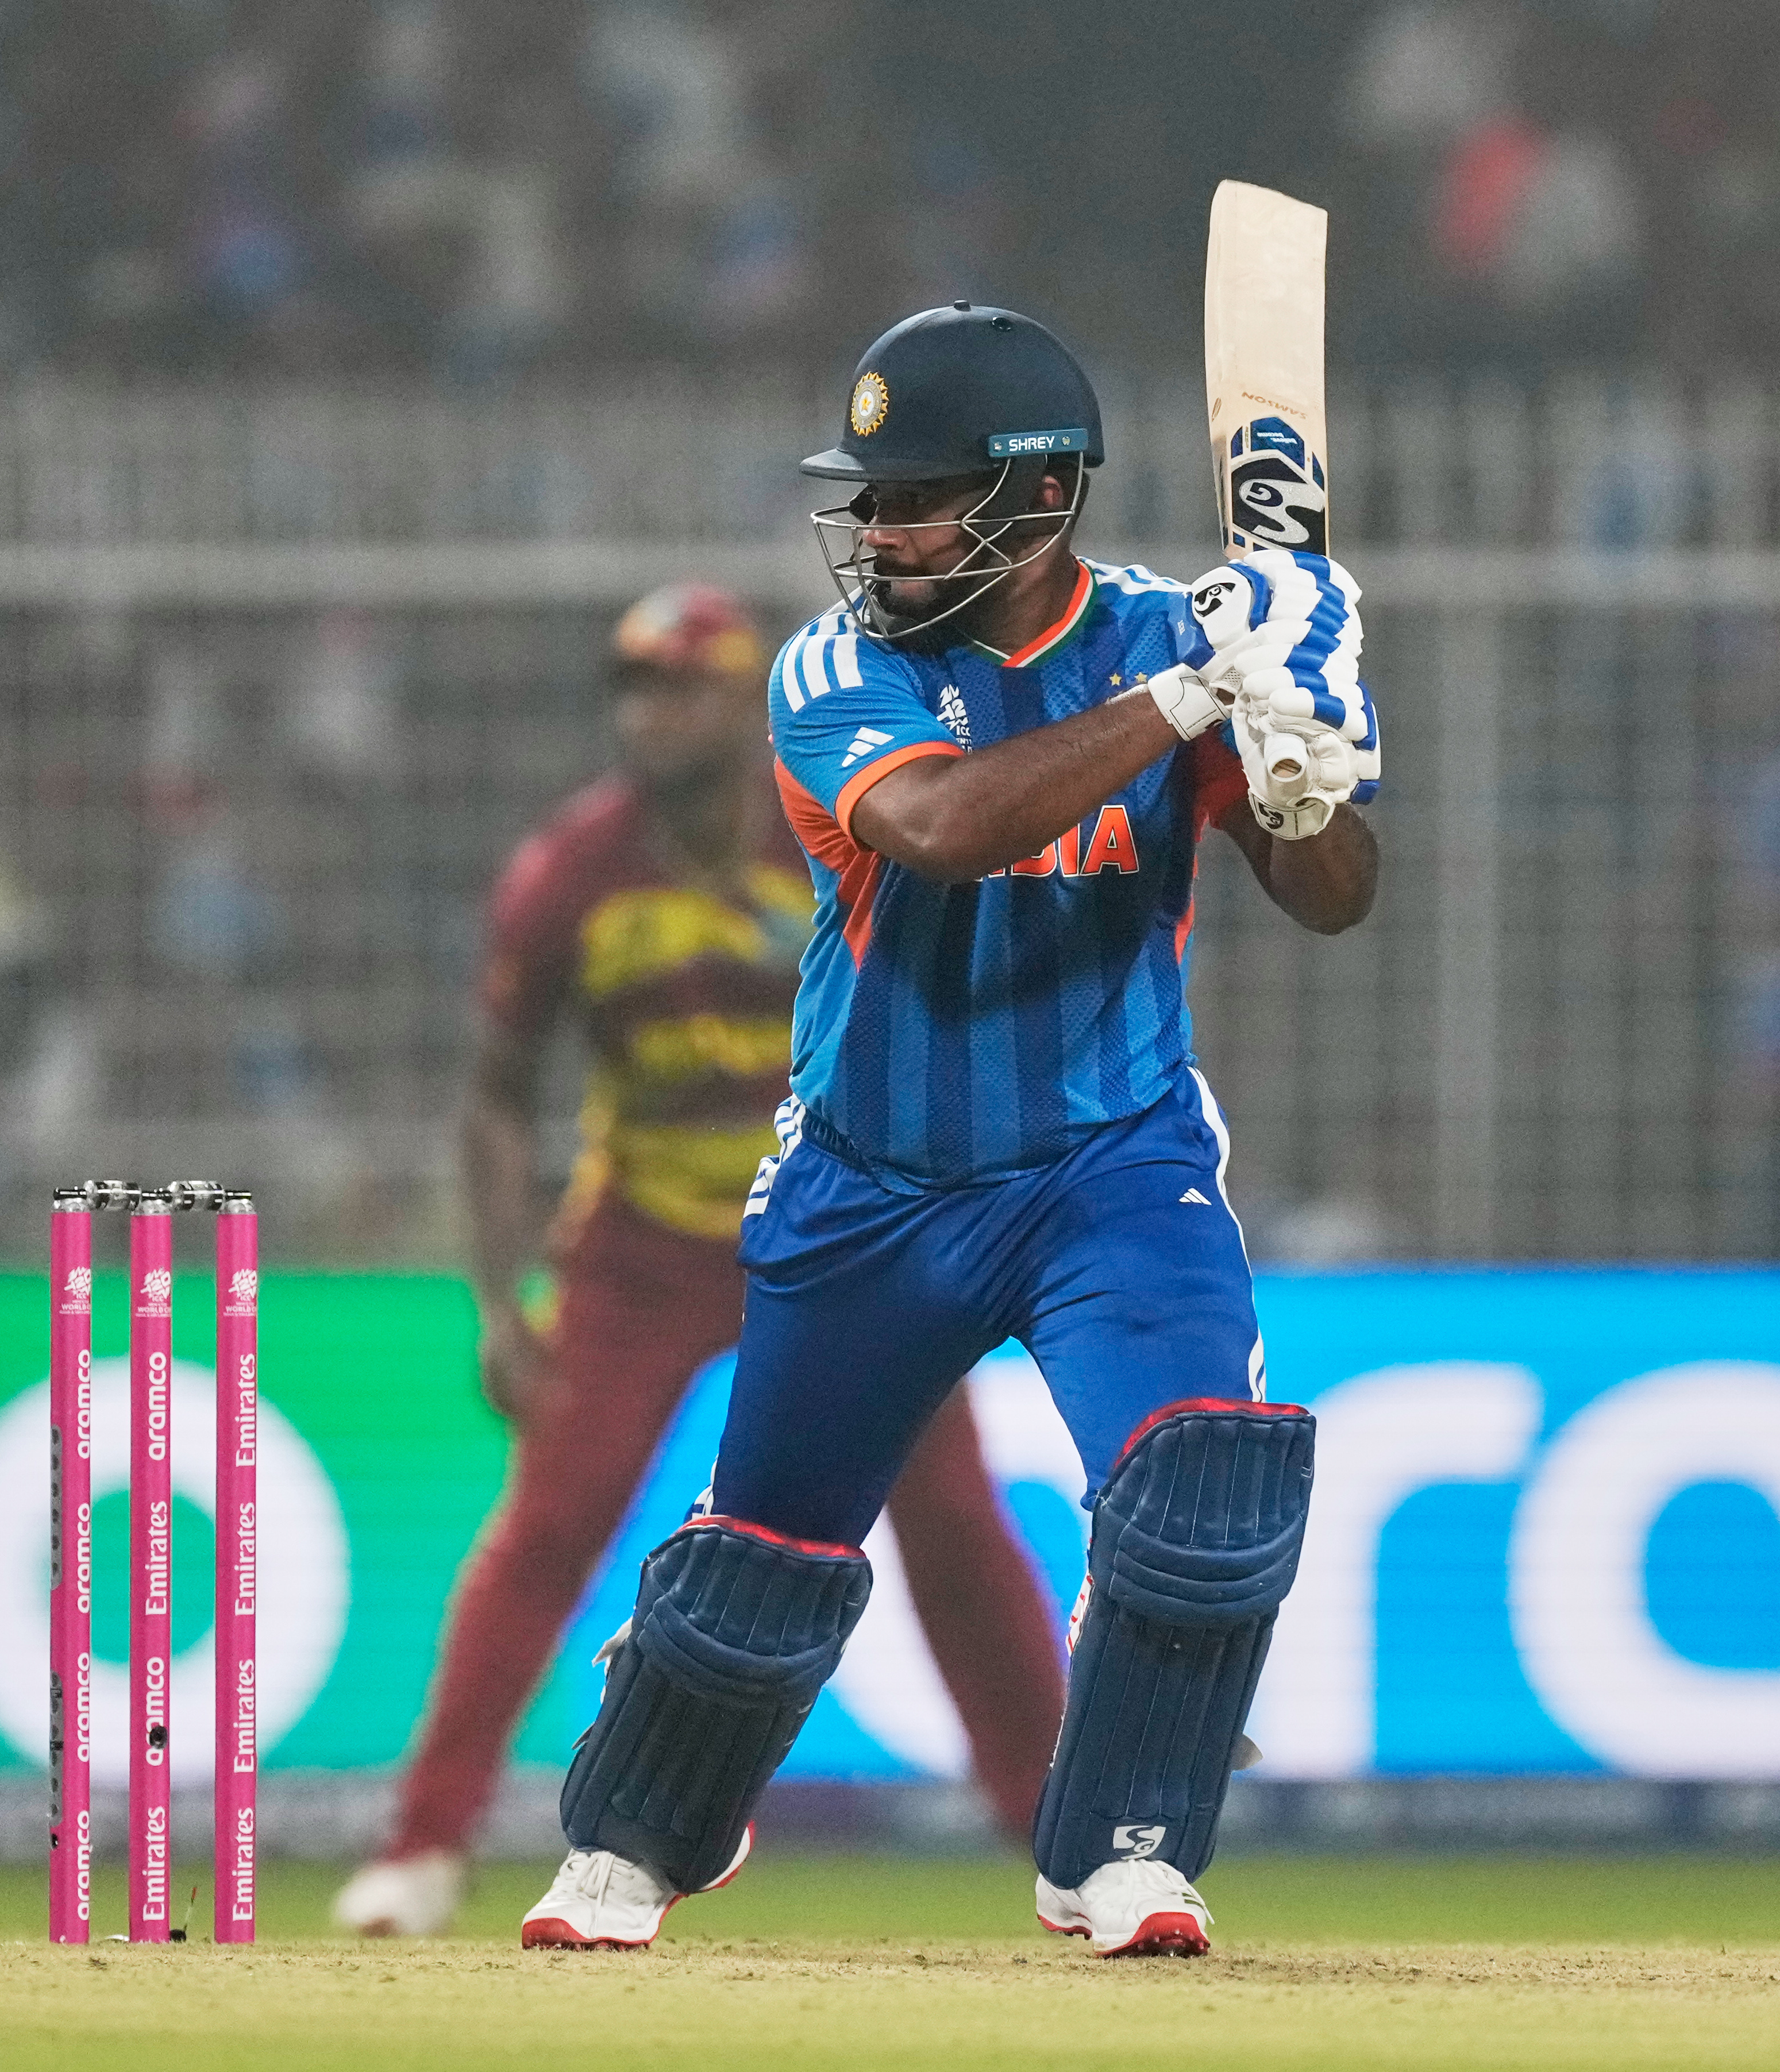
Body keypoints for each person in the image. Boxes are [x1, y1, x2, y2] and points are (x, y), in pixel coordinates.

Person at [518, 303, 1380, 1958]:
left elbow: (1331, 902)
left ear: (1039, 497)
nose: (882, 531)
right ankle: (639, 1840)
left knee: (1202, 1486)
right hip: (872, 1181)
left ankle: (1121, 1848)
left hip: (1110, 1164)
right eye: (874, 497)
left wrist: (1298, 751)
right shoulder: (832, 670)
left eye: (921, 497)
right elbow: (938, 830)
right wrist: (1199, 688)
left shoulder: (1167, 643)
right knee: (767, 1550)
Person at [333, 580, 1070, 1936]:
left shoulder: (839, 829)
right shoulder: (572, 876)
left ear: (747, 703)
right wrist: (497, 1302)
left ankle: (1062, 1836)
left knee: (956, 1526)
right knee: (550, 1527)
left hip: (847, 1236)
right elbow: (495, 1092)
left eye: (680, 686)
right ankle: (425, 1844)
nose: (649, 713)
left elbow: (960, 1010)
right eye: (633, 687)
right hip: (645, 1250)